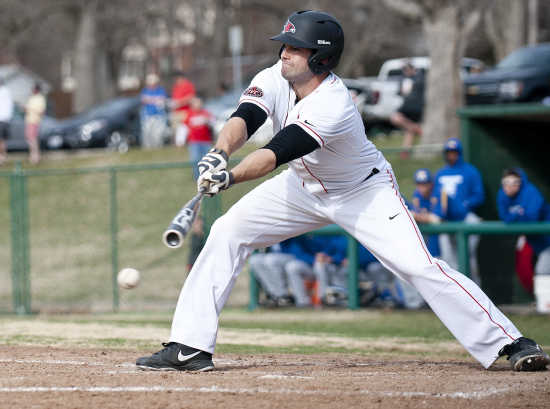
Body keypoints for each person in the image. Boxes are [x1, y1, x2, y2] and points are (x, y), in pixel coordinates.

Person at [136, 10, 549, 373]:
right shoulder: (273, 77)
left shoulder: (333, 103)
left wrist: (229, 177)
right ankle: (190, 347)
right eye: (285, 45)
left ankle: (509, 341)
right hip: (301, 187)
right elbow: (245, 117)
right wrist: (219, 152)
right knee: (227, 232)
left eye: (295, 48)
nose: (284, 53)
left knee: (418, 265)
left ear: (321, 58)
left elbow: (277, 152)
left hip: (363, 192)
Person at [432, 137, 484, 284]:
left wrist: (464, 204)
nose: (451, 155)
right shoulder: (440, 173)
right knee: (448, 259)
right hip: (447, 220)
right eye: (448, 152)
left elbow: (479, 196)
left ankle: (476, 293)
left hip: (467, 218)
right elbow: (436, 197)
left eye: (454, 152)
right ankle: (457, 292)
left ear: (459, 153)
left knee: (467, 257)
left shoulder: (470, 171)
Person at [497, 168, 550, 285]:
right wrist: (518, 213)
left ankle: (544, 302)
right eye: (506, 183)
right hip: (536, 242)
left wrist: (515, 216)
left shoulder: (530, 192)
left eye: (514, 182)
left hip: (547, 240)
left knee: (543, 272)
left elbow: (532, 218)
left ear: (520, 182)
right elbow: (504, 218)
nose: (510, 186)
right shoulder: (502, 194)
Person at [389, 62, 425, 159]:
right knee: (409, 131)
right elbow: (401, 93)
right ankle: (405, 152)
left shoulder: (419, 78)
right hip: (407, 108)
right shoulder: (405, 79)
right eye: (405, 70)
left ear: (413, 69)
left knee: (395, 118)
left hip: (414, 108)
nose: (406, 71)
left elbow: (413, 93)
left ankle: (418, 130)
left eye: (408, 69)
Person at [409, 168, 441, 258]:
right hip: (434, 234)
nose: (421, 188)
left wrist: (417, 216)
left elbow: (437, 219)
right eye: (419, 184)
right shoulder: (417, 194)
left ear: (431, 184)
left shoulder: (439, 192)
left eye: (425, 184)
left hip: (459, 224)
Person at [183, 97, 215, 179]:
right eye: (196, 103)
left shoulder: (206, 113)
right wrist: (181, 140)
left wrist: (208, 121)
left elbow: (213, 123)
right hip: (194, 142)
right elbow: (184, 128)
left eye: (199, 103)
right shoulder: (189, 114)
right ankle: (197, 177)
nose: (198, 105)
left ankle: (208, 176)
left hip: (206, 141)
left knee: (208, 160)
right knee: (195, 160)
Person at [140, 73, 168, 148]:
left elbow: (162, 101)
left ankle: (158, 148)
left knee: (158, 134)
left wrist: (150, 100)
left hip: (159, 115)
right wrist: (154, 100)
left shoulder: (160, 90)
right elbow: (143, 100)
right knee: (147, 133)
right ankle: (148, 149)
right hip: (147, 116)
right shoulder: (145, 90)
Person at [170, 71, 196, 143]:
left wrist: (179, 103)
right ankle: (177, 144)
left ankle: (185, 143)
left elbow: (191, 97)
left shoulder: (188, 85)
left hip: (185, 111)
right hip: (176, 111)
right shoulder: (176, 86)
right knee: (175, 130)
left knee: (184, 129)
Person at [25, 83, 46, 164]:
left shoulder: (40, 98)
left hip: (35, 121)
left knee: (32, 139)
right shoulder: (31, 98)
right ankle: (33, 155)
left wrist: (31, 110)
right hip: (29, 120)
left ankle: (35, 156)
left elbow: (41, 111)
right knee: (30, 139)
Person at [0, 78, 14, 164]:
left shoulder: (2, 92)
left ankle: (2, 158)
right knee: (3, 140)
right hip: (7, 119)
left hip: (1, 119)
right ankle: (4, 157)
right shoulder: (8, 92)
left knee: (0, 140)